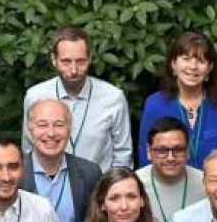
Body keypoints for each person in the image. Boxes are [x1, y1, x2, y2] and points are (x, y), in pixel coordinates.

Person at [22, 26, 133, 170]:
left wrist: (114, 184)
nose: (73, 70)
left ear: (90, 59)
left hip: (100, 183)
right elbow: (29, 149)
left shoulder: (113, 97)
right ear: (54, 59)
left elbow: (123, 154)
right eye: (66, 62)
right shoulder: (35, 96)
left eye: (80, 61)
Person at [137, 31, 217, 170]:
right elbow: (146, 159)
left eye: (201, 61)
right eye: (186, 59)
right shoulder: (154, 105)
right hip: (169, 182)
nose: (193, 66)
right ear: (173, 64)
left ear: (209, 68)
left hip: (215, 182)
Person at [21, 98, 102, 222]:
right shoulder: (14, 173)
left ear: (69, 129)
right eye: (42, 125)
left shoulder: (89, 173)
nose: (51, 133)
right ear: (30, 129)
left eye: (59, 125)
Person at [136, 116, 207, 222]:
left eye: (178, 150)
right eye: (162, 150)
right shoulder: (134, 184)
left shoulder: (205, 183)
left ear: (188, 151)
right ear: (149, 151)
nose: (170, 158)